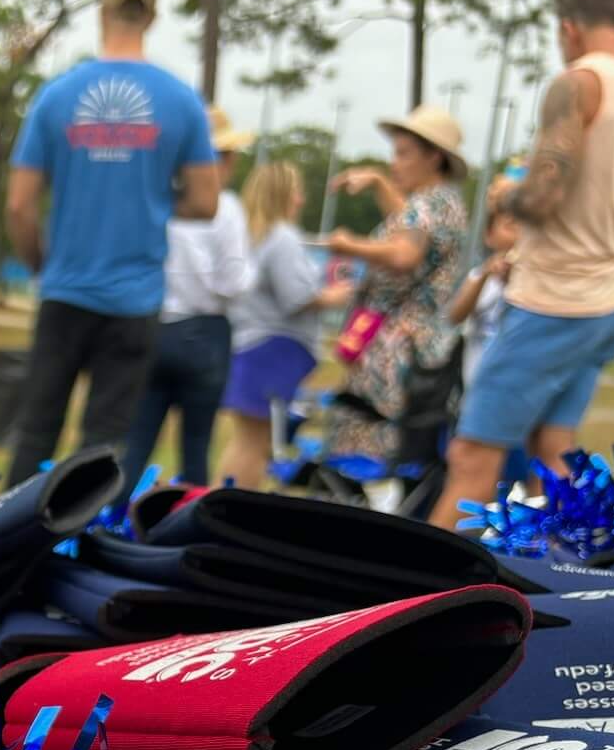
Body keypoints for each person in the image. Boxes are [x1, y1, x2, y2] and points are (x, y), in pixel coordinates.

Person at [432, 0, 614, 528]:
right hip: (612, 300)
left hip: (553, 296)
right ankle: (577, 578)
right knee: (554, 455)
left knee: (472, 457)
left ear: (569, 29)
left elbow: (543, 198)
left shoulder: (578, 83)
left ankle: (411, 601)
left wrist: (507, 194)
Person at [4, 0, 217, 488]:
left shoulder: (56, 96)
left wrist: (40, 262)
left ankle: (1, 553)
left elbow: (18, 206)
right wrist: (157, 203)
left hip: (65, 289)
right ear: (153, 16)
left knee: (35, 434)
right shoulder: (181, 100)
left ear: (103, 10)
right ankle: (79, 554)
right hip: (134, 301)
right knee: (103, 445)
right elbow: (207, 201)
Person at [320, 105, 470, 466]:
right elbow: (407, 222)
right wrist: (377, 182)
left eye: (403, 154)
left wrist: (349, 245)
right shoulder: (441, 202)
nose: (395, 163)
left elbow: (405, 253)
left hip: (395, 351)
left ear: (434, 157)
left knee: (367, 452)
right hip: (420, 344)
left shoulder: (428, 206)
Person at [119, 105, 253, 488]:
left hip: (152, 327)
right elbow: (233, 283)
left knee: (136, 442)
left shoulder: (156, 203)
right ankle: (186, 532)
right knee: (195, 447)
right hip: (204, 333)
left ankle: (109, 522)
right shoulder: (226, 209)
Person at [220, 162, 354, 481]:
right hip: (272, 348)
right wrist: (336, 295)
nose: (301, 199)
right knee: (256, 443)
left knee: (246, 439)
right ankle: (231, 508)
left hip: (249, 344)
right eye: (296, 191)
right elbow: (296, 297)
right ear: (282, 194)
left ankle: (225, 499)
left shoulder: (251, 235)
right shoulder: (283, 237)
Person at [448, 203, 520, 394]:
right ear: (489, 235)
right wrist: (485, 275)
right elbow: (455, 316)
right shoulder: (479, 275)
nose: (519, 233)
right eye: (510, 226)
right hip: (474, 378)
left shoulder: (531, 281)